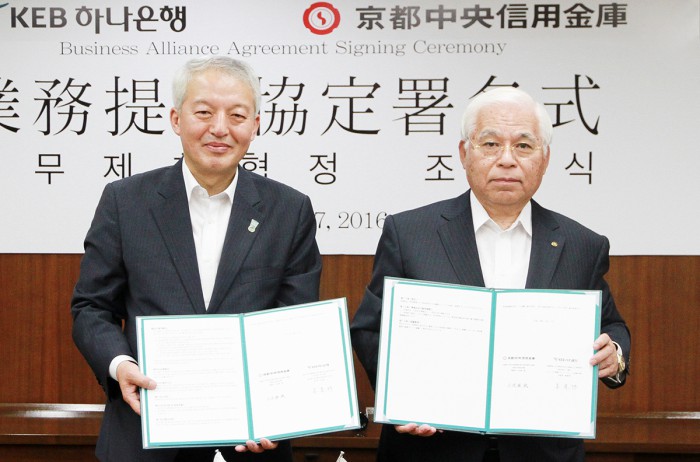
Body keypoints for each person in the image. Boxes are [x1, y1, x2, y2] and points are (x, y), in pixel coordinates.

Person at [350, 87, 630, 462]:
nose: (507, 160)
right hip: (431, 450)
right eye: (491, 144)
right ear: (464, 153)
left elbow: (610, 325)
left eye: (524, 146)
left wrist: (615, 355)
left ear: (545, 159)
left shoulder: (582, 245)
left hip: (541, 452)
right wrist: (400, 399)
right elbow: (370, 328)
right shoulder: (410, 234)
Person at [71, 56, 322, 462]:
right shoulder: (125, 201)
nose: (220, 128)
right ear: (176, 119)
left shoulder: (289, 210)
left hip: (253, 439)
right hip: (144, 434)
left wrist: (279, 409)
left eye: (237, 115)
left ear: (256, 125)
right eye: (204, 112)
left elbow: (294, 323)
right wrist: (120, 365)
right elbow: (91, 307)